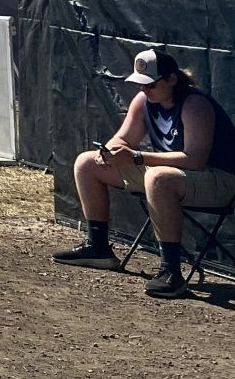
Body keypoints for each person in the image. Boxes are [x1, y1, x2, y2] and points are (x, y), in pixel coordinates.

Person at [54, 48, 235, 297]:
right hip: (173, 175)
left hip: (220, 181)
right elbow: (123, 139)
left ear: (172, 79)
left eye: (150, 85)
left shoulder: (195, 105)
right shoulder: (144, 101)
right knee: (86, 163)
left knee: (158, 178)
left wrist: (137, 157)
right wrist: (108, 152)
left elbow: (194, 160)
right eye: (141, 85)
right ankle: (98, 248)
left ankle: (171, 272)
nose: (144, 90)